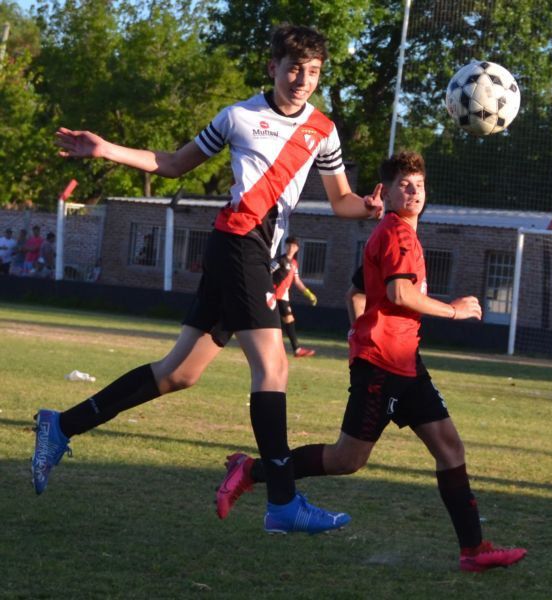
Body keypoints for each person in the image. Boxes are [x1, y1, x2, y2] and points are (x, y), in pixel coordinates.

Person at [32, 24, 383, 535]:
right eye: (293, 69)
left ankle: (60, 425)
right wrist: (106, 148)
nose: (302, 80)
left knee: (179, 373)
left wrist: (367, 209)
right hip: (238, 243)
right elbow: (174, 163)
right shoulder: (238, 117)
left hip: (252, 252)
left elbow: (340, 200)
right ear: (273, 68)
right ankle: (282, 503)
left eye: (313, 72)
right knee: (273, 368)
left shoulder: (323, 129)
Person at [215, 151, 527, 572]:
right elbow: (400, 294)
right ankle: (252, 470)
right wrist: (453, 310)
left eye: (418, 184)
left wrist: (361, 329)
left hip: (405, 362)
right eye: (404, 185)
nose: (413, 191)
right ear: (388, 192)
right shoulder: (397, 235)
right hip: (383, 366)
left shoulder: (392, 232)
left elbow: (356, 293)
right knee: (348, 459)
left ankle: (474, 550)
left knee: (450, 447)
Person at [272, 236, 318, 358]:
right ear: (285, 246)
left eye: (293, 246)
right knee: (287, 320)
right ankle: (296, 350)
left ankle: (294, 350)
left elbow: (297, 281)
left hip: (283, 297)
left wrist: (308, 294)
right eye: (288, 245)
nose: (290, 248)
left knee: (285, 321)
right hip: (275, 295)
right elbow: (267, 272)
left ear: (297, 248)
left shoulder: (294, 264)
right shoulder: (279, 260)